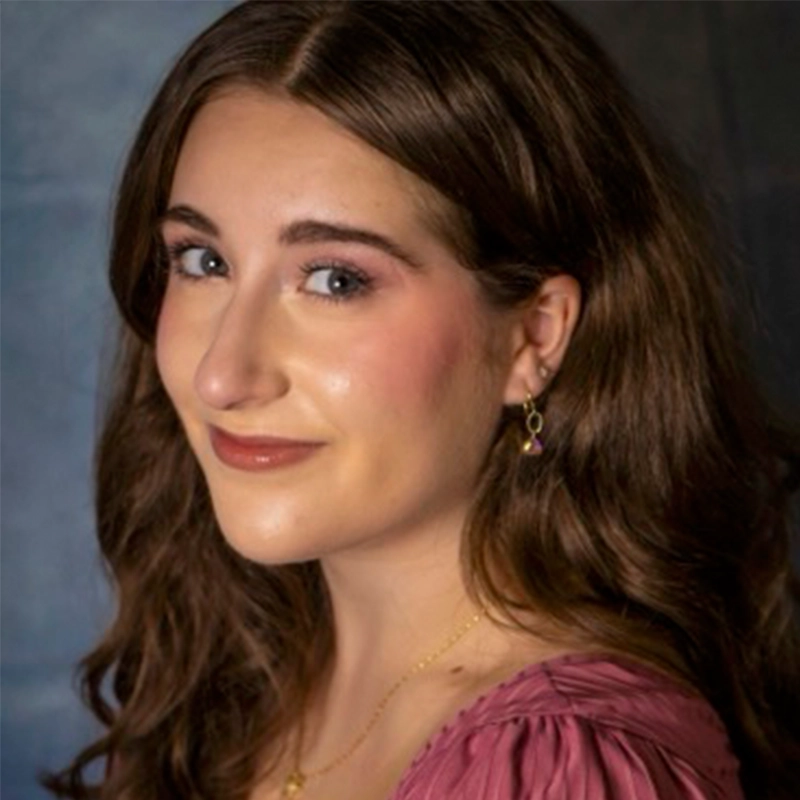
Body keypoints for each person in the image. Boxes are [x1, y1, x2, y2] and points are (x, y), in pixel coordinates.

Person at [44, 2, 800, 799]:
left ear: (532, 338)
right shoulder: (222, 689)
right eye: (202, 261)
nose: (223, 376)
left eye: (336, 280)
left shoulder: (554, 766)